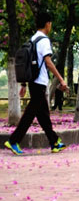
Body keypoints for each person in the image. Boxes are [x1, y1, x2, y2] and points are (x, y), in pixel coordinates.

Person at [4, 12, 68, 155]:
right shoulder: (44, 40)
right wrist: (61, 79)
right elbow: (48, 62)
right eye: (50, 23)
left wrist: (24, 84)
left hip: (34, 81)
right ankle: (14, 141)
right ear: (47, 24)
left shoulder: (33, 39)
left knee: (43, 115)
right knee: (30, 113)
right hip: (39, 81)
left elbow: (28, 63)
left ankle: (54, 142)